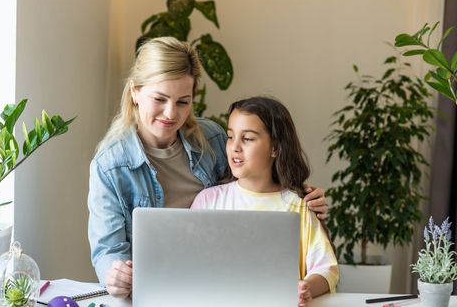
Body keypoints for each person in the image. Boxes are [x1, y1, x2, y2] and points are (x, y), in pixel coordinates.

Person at [87, 37, 329, 298]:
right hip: (155, 290)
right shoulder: (110, 165)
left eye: (183, 101)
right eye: (160, 98)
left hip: (220, 286)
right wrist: (116, 276)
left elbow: (255, 183)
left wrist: (301, 195)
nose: (171, 114)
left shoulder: (212, 137)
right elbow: (107, 251)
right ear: (135, 91)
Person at [191, 96, 339, 306]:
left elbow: (327, 269)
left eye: (248, 139)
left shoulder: (298, 206)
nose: (235, 147)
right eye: (231, 136)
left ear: (275, 148)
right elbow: (191, 265)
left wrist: (306, 289)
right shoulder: (208, 201)